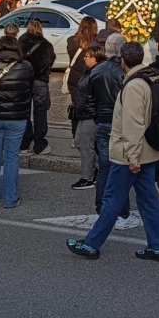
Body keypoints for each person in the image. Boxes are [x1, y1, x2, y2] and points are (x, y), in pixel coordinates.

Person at [66, 42, 159, 262]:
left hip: (129, 155)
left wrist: (132, 157)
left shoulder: (133, 86)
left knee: (111, 199)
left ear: (122, 60)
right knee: (148, 201)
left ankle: (92, 244)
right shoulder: (151, 79)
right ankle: (157, 246)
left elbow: (133, 124)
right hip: (149, 151)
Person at [84, 35, 138, 226]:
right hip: (119, 123)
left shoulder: (96, 70)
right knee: (120, 167)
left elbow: (88, 99)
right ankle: (122, 211)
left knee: (104, 168)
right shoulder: (124, 73)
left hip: (103, 122)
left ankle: (101, 207)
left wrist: (97, 116)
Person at [0, 34, 33, 209]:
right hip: (17, 118)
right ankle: (10, 199)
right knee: (12, 158)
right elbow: (30, 90)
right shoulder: (26, 67)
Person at [66, 17, 99, 189]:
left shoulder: (73, 42)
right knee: (84, 140)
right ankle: (93, 169)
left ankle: (91, 173)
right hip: (84, 84)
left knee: (84, 138)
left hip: (77, 83)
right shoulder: (96, 44)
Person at [19, 18, 56, 154]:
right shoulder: (46, 44)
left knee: (24, 112)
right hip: (40, 81)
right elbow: (49, 61)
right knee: (40, 113)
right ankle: (40, 144)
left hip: (24, 81)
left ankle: (24, 143)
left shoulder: (21, 42)